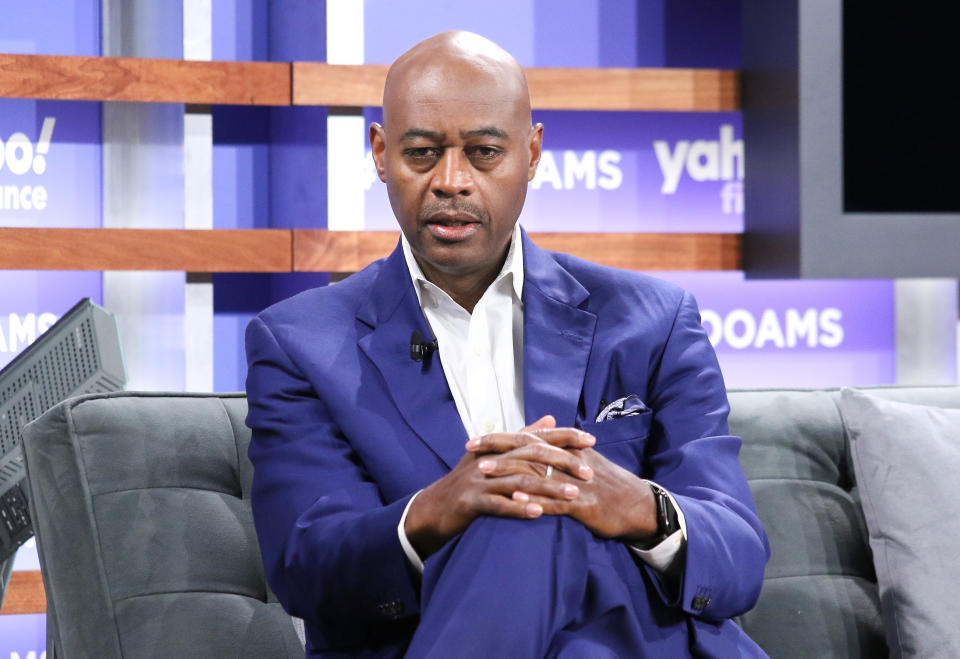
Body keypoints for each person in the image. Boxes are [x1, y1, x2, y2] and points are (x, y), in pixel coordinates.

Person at [245, 30, 770, 658]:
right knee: (520, 511)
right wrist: (440, 509)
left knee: (533, 503)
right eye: (422, 154)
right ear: (381, 154)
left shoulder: (652, 321)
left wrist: (637, 506)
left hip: (641, 641)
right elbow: (311, 570)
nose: (452, 181)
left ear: (533, 151)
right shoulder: (300, 343)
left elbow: (737, 556)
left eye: (484, 153)